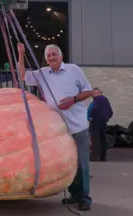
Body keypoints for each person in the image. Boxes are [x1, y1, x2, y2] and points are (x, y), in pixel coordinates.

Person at [17, 43, 94, 211]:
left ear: (61, 56)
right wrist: (21, 54)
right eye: (48, 56)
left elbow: (89, 92)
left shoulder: (74, 70)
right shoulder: (44, 74)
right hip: (59, 129)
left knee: (82, 163)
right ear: (46, 59)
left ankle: (85, 197)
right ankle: (74, 195)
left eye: (54, 54)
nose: (51, 57)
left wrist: (73, 99)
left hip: (78, 126)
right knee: (68, 162)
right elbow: (22, 76)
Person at [88, 87, 113, 162]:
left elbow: (94, 109)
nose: (92, 94)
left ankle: (95, 156)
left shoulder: (98, 100)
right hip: (103, 121)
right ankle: (103, 156)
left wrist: (91, 117)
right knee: (103, 138)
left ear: (99, 93)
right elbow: (110, 111)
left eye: (94, 93)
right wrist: (106, 118)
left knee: (95, 138)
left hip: (95, 121)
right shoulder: (105, 100)